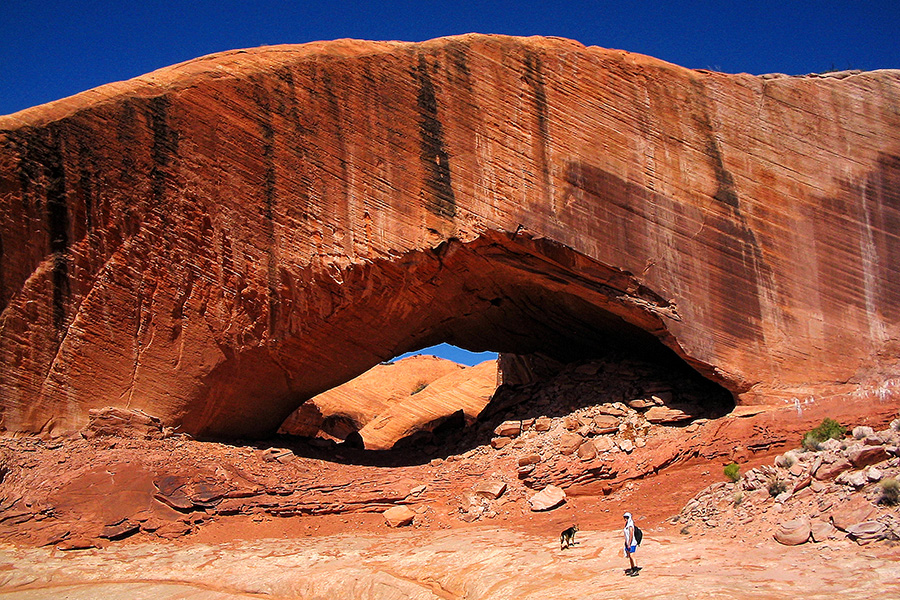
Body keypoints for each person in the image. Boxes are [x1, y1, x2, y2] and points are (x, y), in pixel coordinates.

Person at [623, 512, 640, 576]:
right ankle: (632, 568)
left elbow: (631, 534)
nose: (625, 519)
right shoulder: (627, 524)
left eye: (626, 517)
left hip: (632, 543)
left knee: (632, 555)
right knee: (630, 556)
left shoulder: (630, 525)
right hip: (628, 543)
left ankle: (635, 569)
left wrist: (629, 543)